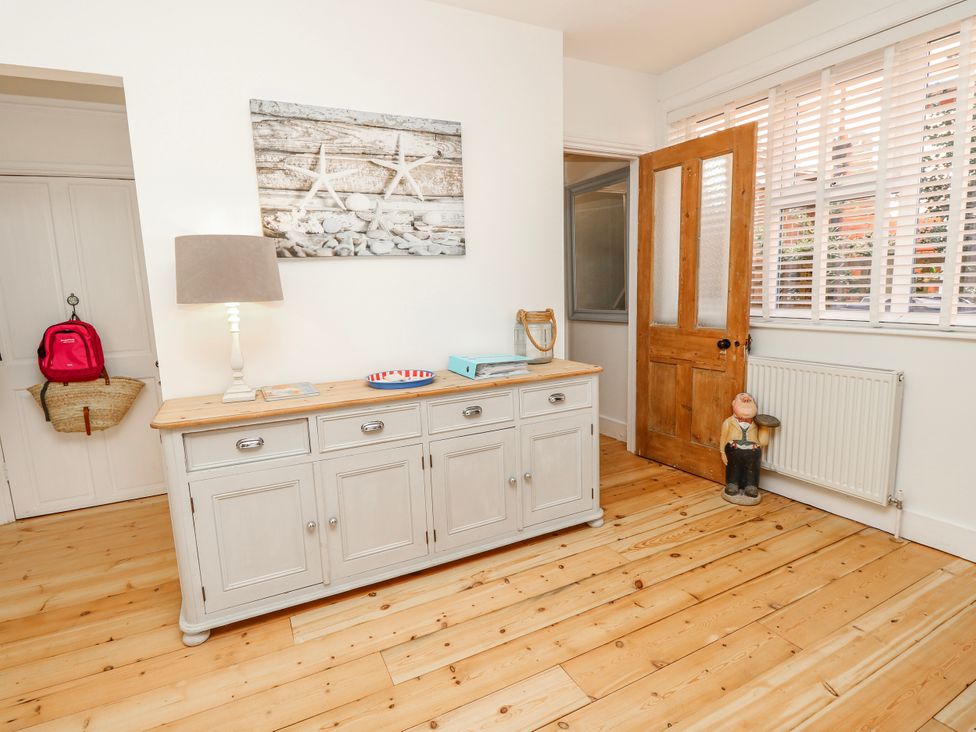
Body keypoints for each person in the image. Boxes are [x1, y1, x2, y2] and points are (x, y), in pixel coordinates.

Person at [720, 392, 770, 504]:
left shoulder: (757, 424)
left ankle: (751, 485)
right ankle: (732, 483)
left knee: (752, 469)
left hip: (752, 451)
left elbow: (763, 442)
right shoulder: (728, 422)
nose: (746, 399)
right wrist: (722, 452)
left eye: (750, 399)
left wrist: (765, 428)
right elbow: (723, 438)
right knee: (733, 467)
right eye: (742, 397)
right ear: (734, 403)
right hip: (734, 450)